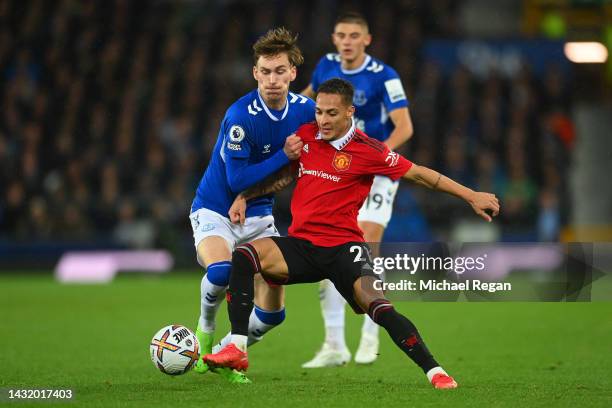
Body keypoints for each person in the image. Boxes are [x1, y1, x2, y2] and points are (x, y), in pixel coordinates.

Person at [203, 78, 500, 389]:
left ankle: (435, 371)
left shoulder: (368, 150)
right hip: (302, 246)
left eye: (332, 113)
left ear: (349, 112)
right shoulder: (306, 137)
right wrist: (245, 196)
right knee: (245, 255)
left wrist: (471, 195)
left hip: (345, 249)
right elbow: (284, 178)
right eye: (319, 112)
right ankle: (236, 347)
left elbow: (422, 175)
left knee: (379, 307)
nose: (323, 120)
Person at [189, 27, 314, 382]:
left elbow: (302, 167)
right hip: (215, 208)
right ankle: (205, 329)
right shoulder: (241, 116)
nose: (272, 80)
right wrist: (282, 155)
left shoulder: (306, 112)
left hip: (259, 214)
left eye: (280, 71)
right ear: (255, 73)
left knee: (273, 315)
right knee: (220, 272)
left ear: (293, 72)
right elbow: (236, 181)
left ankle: (226, 352)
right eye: (265, 72)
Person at [300, 11, 415, 366]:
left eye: (354, 35)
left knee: (366, 243)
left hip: (373, 171)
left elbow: (404, 126)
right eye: (341, 35)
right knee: (329, 244)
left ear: (367, 39)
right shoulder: (325, 67)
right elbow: (304, 103)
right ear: (334, 39)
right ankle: (334, 344)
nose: (347, 41)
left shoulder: (385, 76)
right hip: (336, 170)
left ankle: (370, 334)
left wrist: (379, 158)